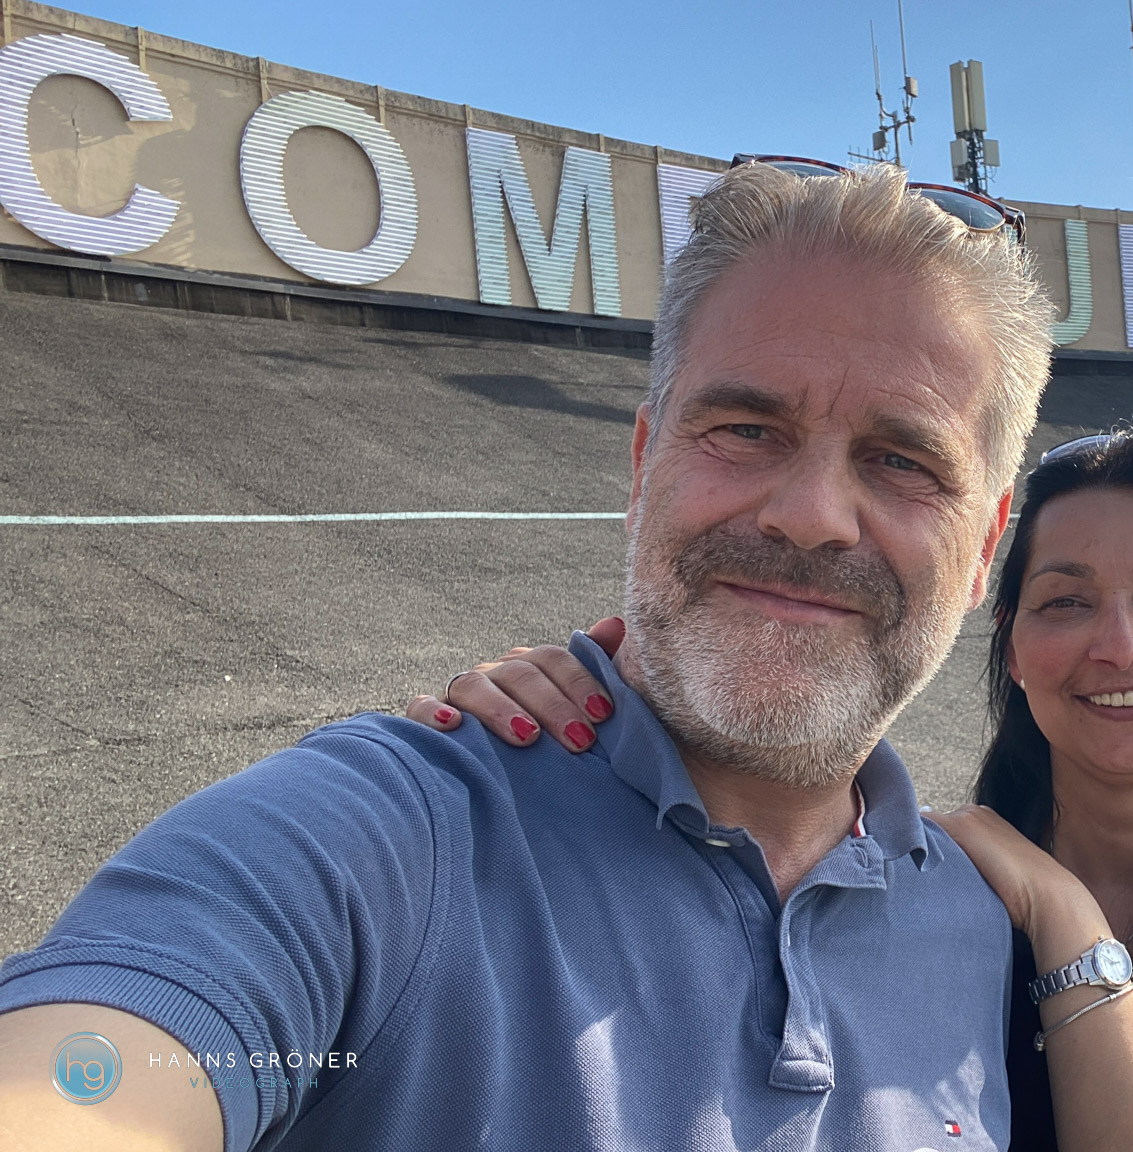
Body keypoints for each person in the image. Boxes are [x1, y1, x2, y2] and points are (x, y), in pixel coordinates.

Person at [0, 162, 1056, 1151]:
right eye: (744, 429)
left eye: (903, 459)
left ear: (983, 551)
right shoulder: (383, 839)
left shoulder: (980, 926)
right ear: (645, 464)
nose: (811, 515)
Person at [418, 424, 1133, 1151]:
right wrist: (572, 707)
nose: (1118, 643)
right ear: (1014, 648)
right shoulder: (916, 881)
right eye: (1064, 601)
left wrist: (1070, 933)